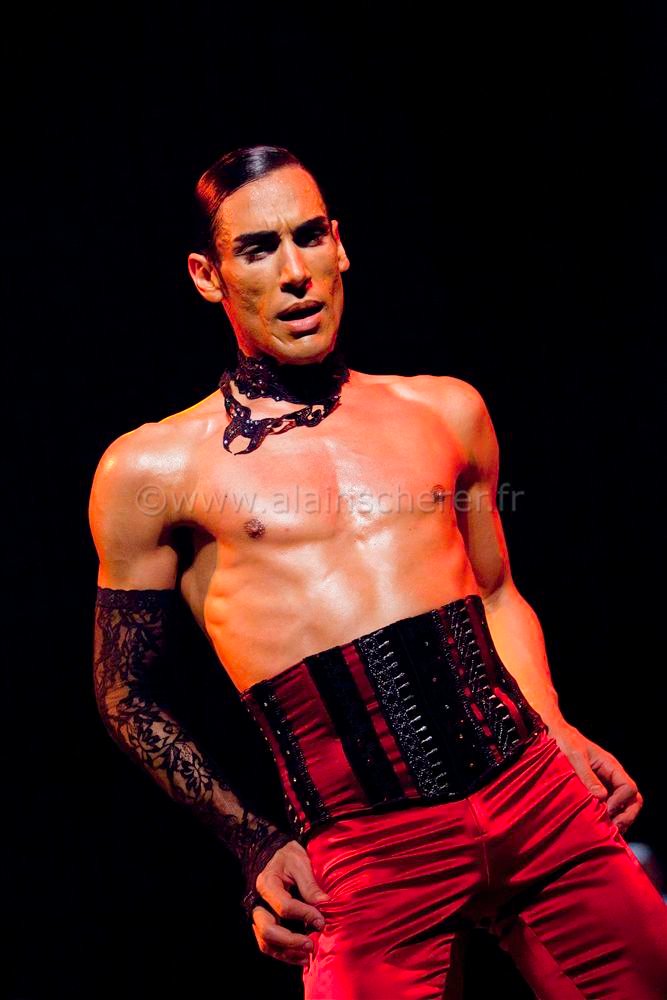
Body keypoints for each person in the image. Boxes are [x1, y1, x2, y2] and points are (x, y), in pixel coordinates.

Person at [89, 144, 667, 998]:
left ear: (340, 245)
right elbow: (124, 693)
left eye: (309, 236)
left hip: (537, 799)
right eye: (259, 249)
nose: (295, 272)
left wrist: (557, 728)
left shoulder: (444, 409)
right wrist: (253, 844)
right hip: (366, 855)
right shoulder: (153, 470)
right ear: (208, 277)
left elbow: (495, 594)